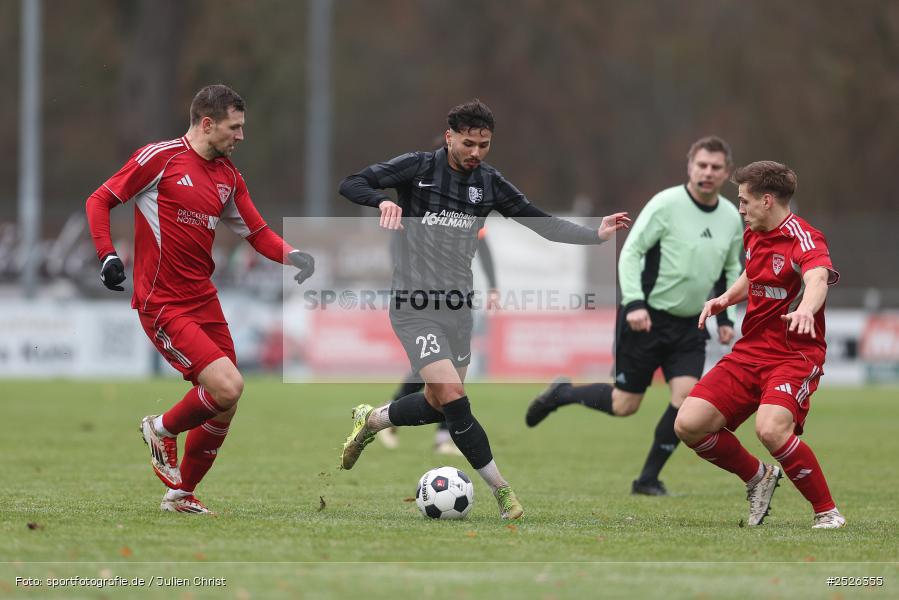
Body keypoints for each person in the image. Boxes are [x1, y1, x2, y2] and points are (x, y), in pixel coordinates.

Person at [337, 99, 630, 520]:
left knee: (438, 402)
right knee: (456, 399)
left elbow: (537, 220)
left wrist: (595, 236)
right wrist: (380, 201)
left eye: (484, 145)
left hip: (459, 308)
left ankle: (373, 420)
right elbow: (351, 182)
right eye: (469, 143)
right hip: (413, 305)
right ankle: (503, 491)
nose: (476, 153)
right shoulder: (418, 168)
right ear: (449, 136)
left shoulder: (489, 182)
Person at [85, 84, 315, 514]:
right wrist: (108, 254)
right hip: (163, 302)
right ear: (207, 124)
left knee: (226, 402)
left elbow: (257, 232)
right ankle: (159, 429)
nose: (241, 136)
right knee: (228, 385)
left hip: (203, 300)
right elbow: (100, 200)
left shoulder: (228, 176)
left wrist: (292, 254)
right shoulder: (160, 158)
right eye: (235, 127)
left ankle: (180, 495)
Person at [525, 136, 743, 496]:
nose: (707, 172)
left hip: (690, 325)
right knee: (624, 405)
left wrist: (725, 318)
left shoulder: (731, 218)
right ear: (690, 167)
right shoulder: (666, 205)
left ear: (727, 173)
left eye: (715, 167)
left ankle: (646, 480)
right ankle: (562, 393)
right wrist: (636, 303)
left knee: (686, 400)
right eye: (701, 165)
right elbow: (631, 253)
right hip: (645, 319)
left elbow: (731, 269)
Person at [674, 161, 845, 529]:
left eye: (744, 201)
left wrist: (804, 309)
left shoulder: (805, 237)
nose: (740, 208)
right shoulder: (754, 231)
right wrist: (725, 299)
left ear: (767, 200)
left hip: (793, 356)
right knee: (689, 424)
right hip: (750, 352)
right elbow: (753, 271)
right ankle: (758, 477)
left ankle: (828, 513)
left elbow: (816, 277)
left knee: (771, 430)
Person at [378, 226, 499, 455]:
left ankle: (441, 436)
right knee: (436, 369)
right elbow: (397, 243)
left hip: (457, 301)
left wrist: (493, 286)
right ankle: (394, 415)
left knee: (448, 372)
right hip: (424, 302)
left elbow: (483, 248)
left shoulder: (468, 209)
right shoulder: (422, 208)